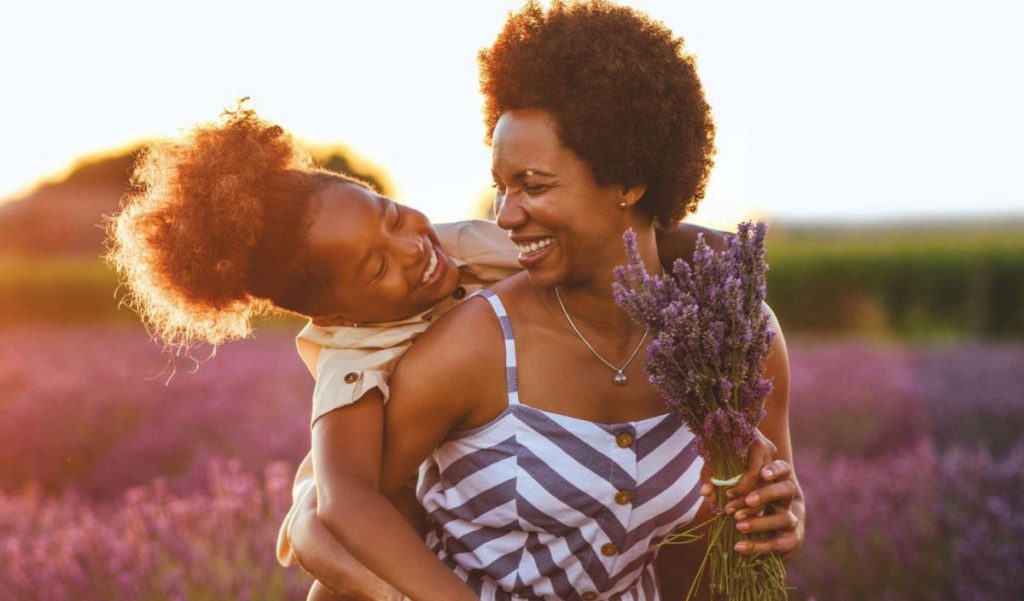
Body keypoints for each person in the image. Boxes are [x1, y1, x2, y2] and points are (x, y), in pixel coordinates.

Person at [105, 104, 734, 600]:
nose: (410, 248)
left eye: (388, 214)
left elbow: (608, 235)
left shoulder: (462, 243)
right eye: (377, 266)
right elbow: (343, 502)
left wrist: (726, 254)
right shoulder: (351, 355)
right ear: (340, 313)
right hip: (388, 509)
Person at [293, 1, 805, 600]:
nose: (506, 216)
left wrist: (783, 519)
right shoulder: (474, 345)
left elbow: (767, 510)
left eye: (533, 186)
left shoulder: (737, 342)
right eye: (501, 188)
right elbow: (338, 529)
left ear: (630, 181)